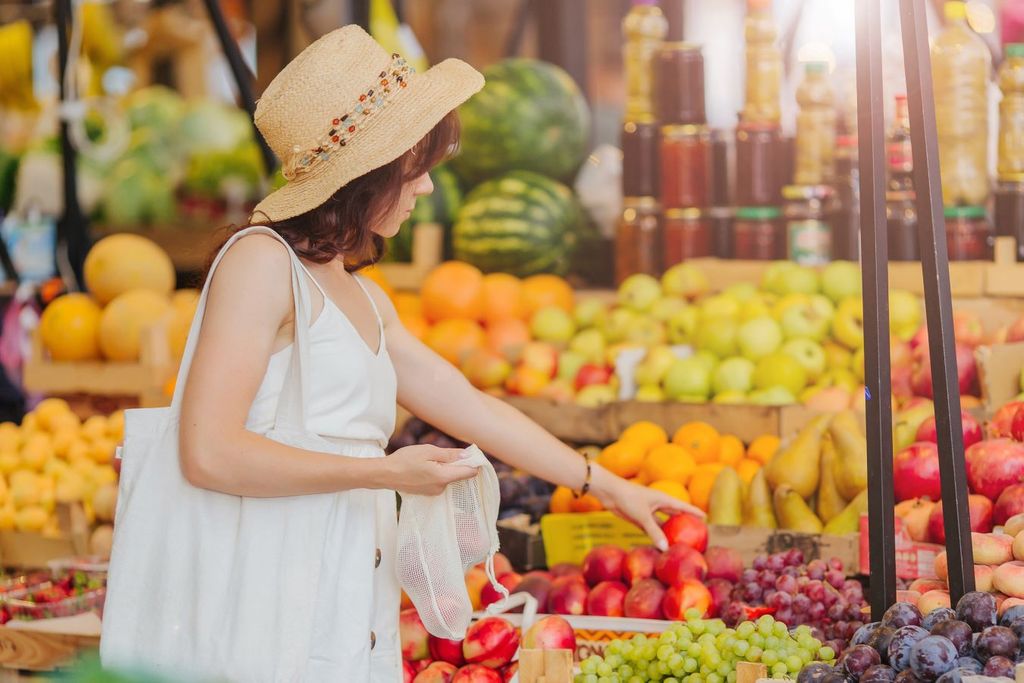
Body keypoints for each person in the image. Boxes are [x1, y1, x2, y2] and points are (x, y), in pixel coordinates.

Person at [174, 25, 701, 681]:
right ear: (368, 171)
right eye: (414, 167)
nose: (426, 188)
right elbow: (208, 451)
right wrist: (385, 472)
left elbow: (471, 406)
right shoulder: (258, 263)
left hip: (344, 603)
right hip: (261, 604)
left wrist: (609, 487)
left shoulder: (361, 297)